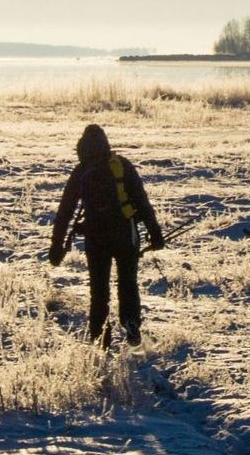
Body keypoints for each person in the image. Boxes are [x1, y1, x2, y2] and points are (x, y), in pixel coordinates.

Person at [48, 123, 163, 347]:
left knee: (99, 292)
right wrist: (155, 232)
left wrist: (56, 245)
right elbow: (142, 201)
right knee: (128, 282)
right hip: (125, 234)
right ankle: (130, 322)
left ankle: (100, 340)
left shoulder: (81, 171)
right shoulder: (121, 166)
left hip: (95, 238)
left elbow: (65, 211)